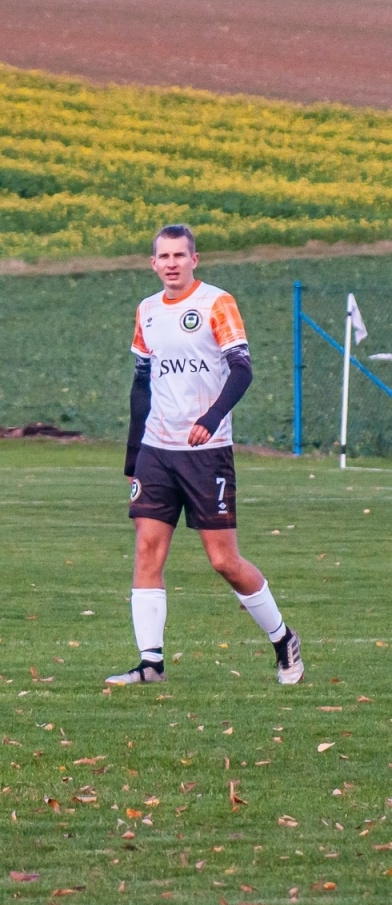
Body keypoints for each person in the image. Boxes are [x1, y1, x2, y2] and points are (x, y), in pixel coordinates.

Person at [112, 224, 303, 686]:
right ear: (153, 263)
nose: (172, 263)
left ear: (194, 260)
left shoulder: (216, 303)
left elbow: (242, 370)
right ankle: (151, 664)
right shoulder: (148, 311)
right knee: (147, 549)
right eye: (164, 256)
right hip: (158, 450)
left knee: (223, 561)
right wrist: (134, 452)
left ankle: (283, 640)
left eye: (181, 255)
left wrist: (213, 417)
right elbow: (142, 383)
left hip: (206, 452)